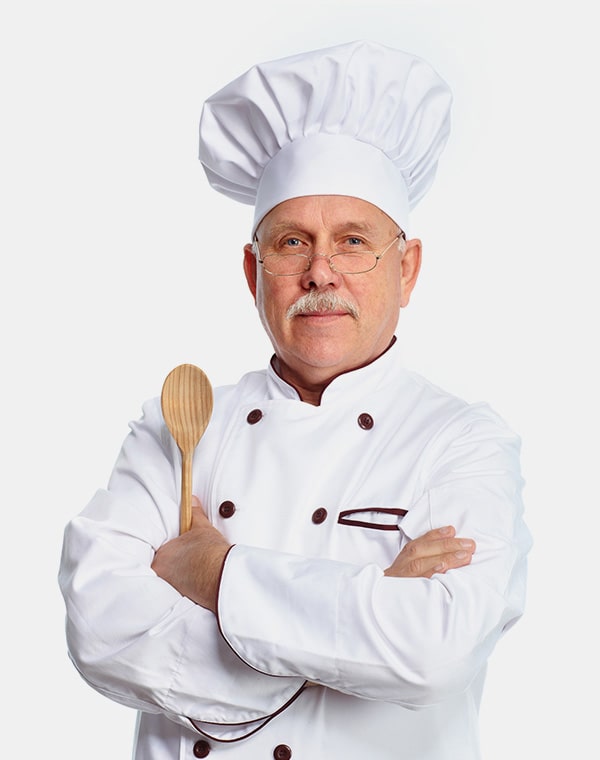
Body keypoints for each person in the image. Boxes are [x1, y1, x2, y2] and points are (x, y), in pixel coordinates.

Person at [59, 40, 532, 760]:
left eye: (354, 241)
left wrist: (215, 573)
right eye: (291, 242)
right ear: (254, 272)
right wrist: (367, 611)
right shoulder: (180, 424)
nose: (321, 272)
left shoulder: (463, 443)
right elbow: (101, 627)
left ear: (407, 270)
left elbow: (435, 653)